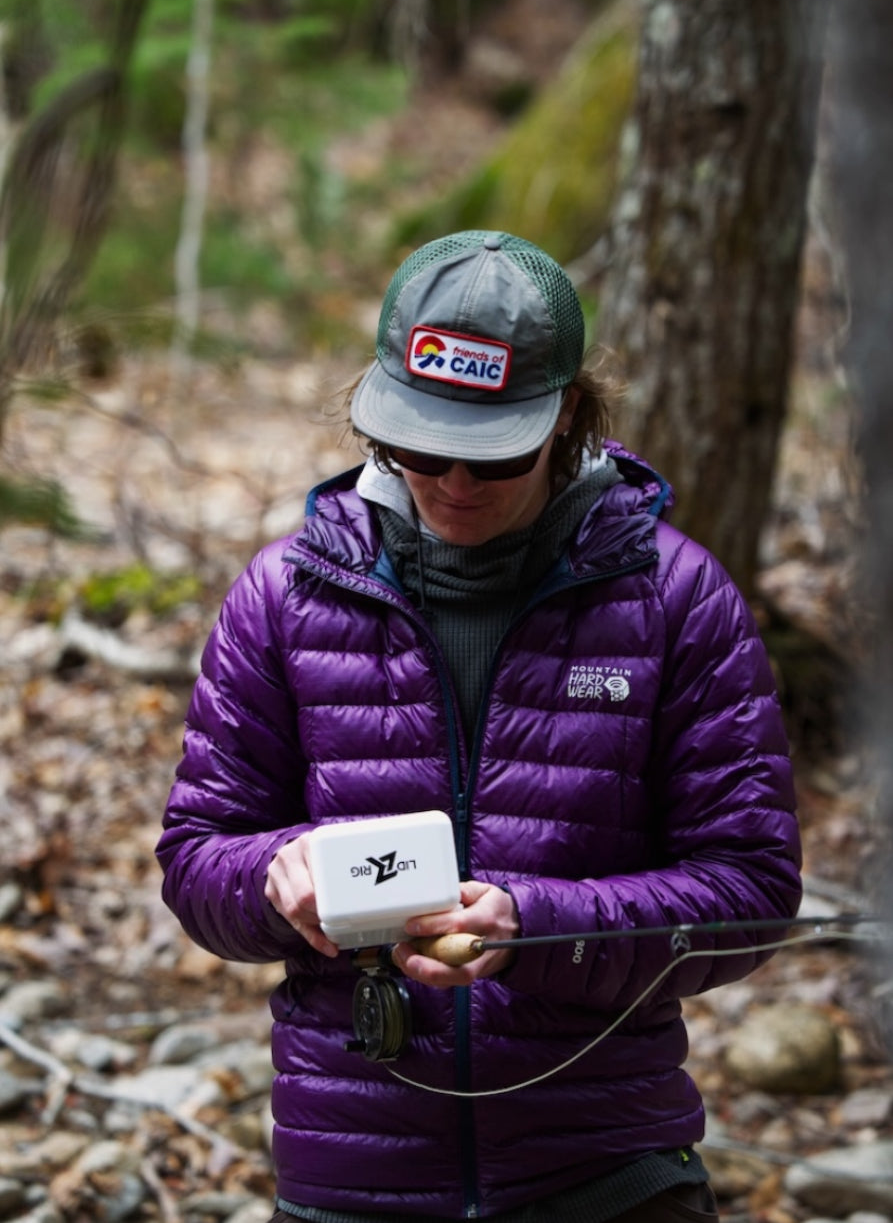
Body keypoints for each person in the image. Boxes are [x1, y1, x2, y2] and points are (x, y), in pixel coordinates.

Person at [156, 229, 802, 1222]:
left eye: (494, 455)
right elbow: (197, 857)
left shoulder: (675, 598)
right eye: (423, 447)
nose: (455, 482)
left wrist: (534, 926)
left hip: (605, 1172)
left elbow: (750, 889)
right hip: (353, 1169)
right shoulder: (282, 596)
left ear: (567, 416)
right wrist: (274, 875)